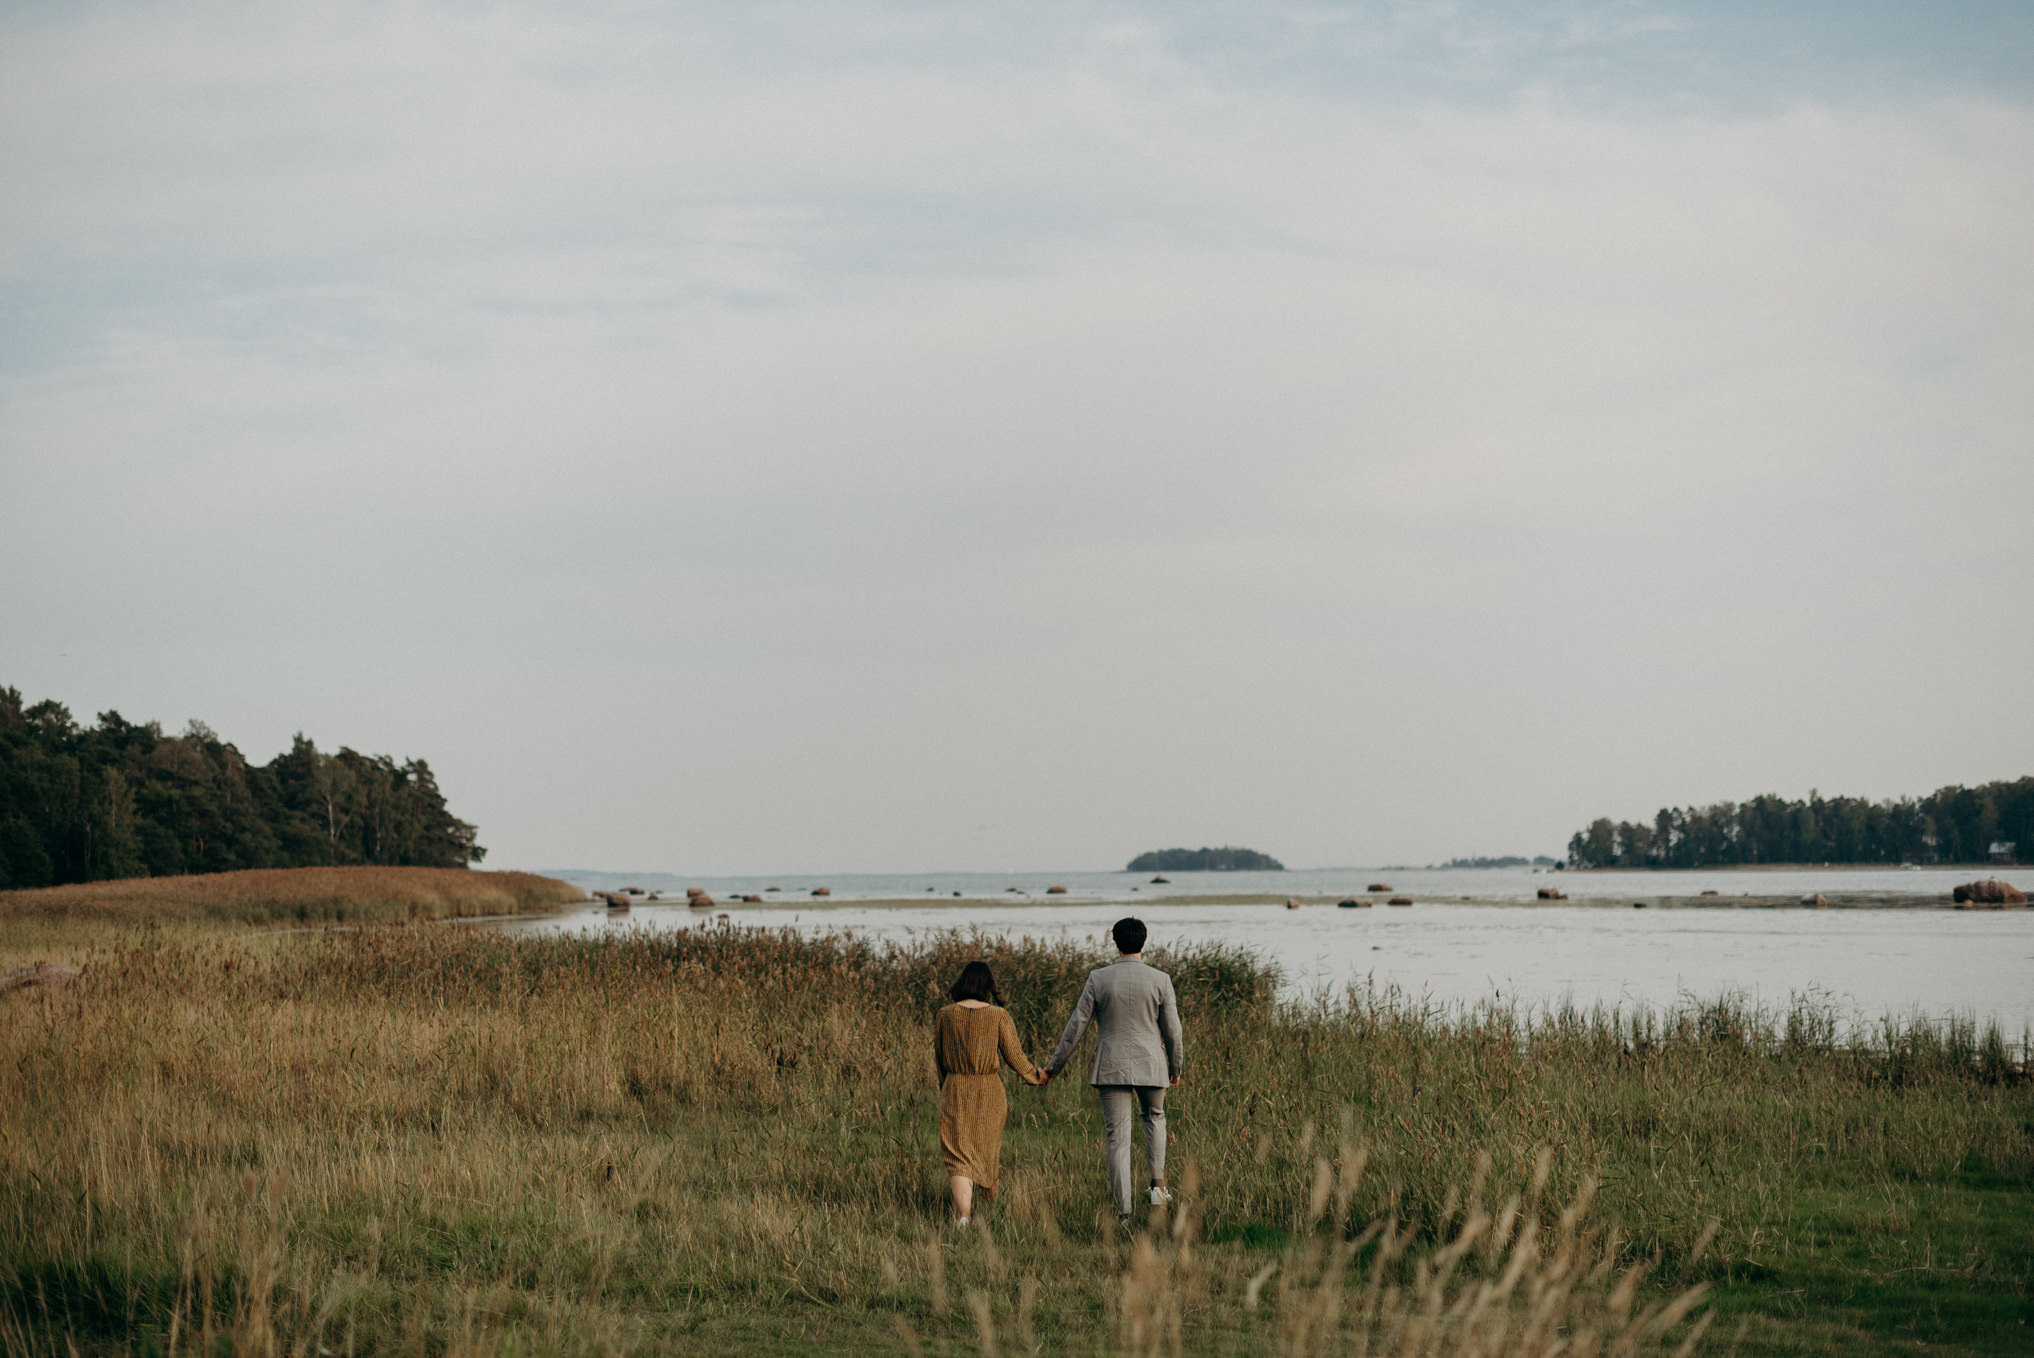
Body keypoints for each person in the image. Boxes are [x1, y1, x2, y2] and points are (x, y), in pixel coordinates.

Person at [1042, 917, 1184, 1219]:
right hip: (1151, 1064)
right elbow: (1173, 1030)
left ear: (1115, 942)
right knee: (1155, 1118)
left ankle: (1123, 1211)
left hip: (1111, 1064)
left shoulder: (1099, 978)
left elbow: (1075, 1027)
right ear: (1143, 942)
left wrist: (1055, 1066)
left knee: (1117, 1139)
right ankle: (1158, 1190)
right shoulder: (1161, 980)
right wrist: (1176, 1066)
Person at [935, 959, 1047, 1227]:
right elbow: (1015, 1057)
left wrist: (946, 1088)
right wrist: (1037, 1076)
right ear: (988, 986)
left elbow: (938, 1059)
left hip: (955, 1089)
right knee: (987, 1151)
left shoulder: (945, 1014)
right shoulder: (999, 1016)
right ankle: (989, 1207)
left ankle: (964, 1217)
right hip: (989, 1092)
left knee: (958, 1156)